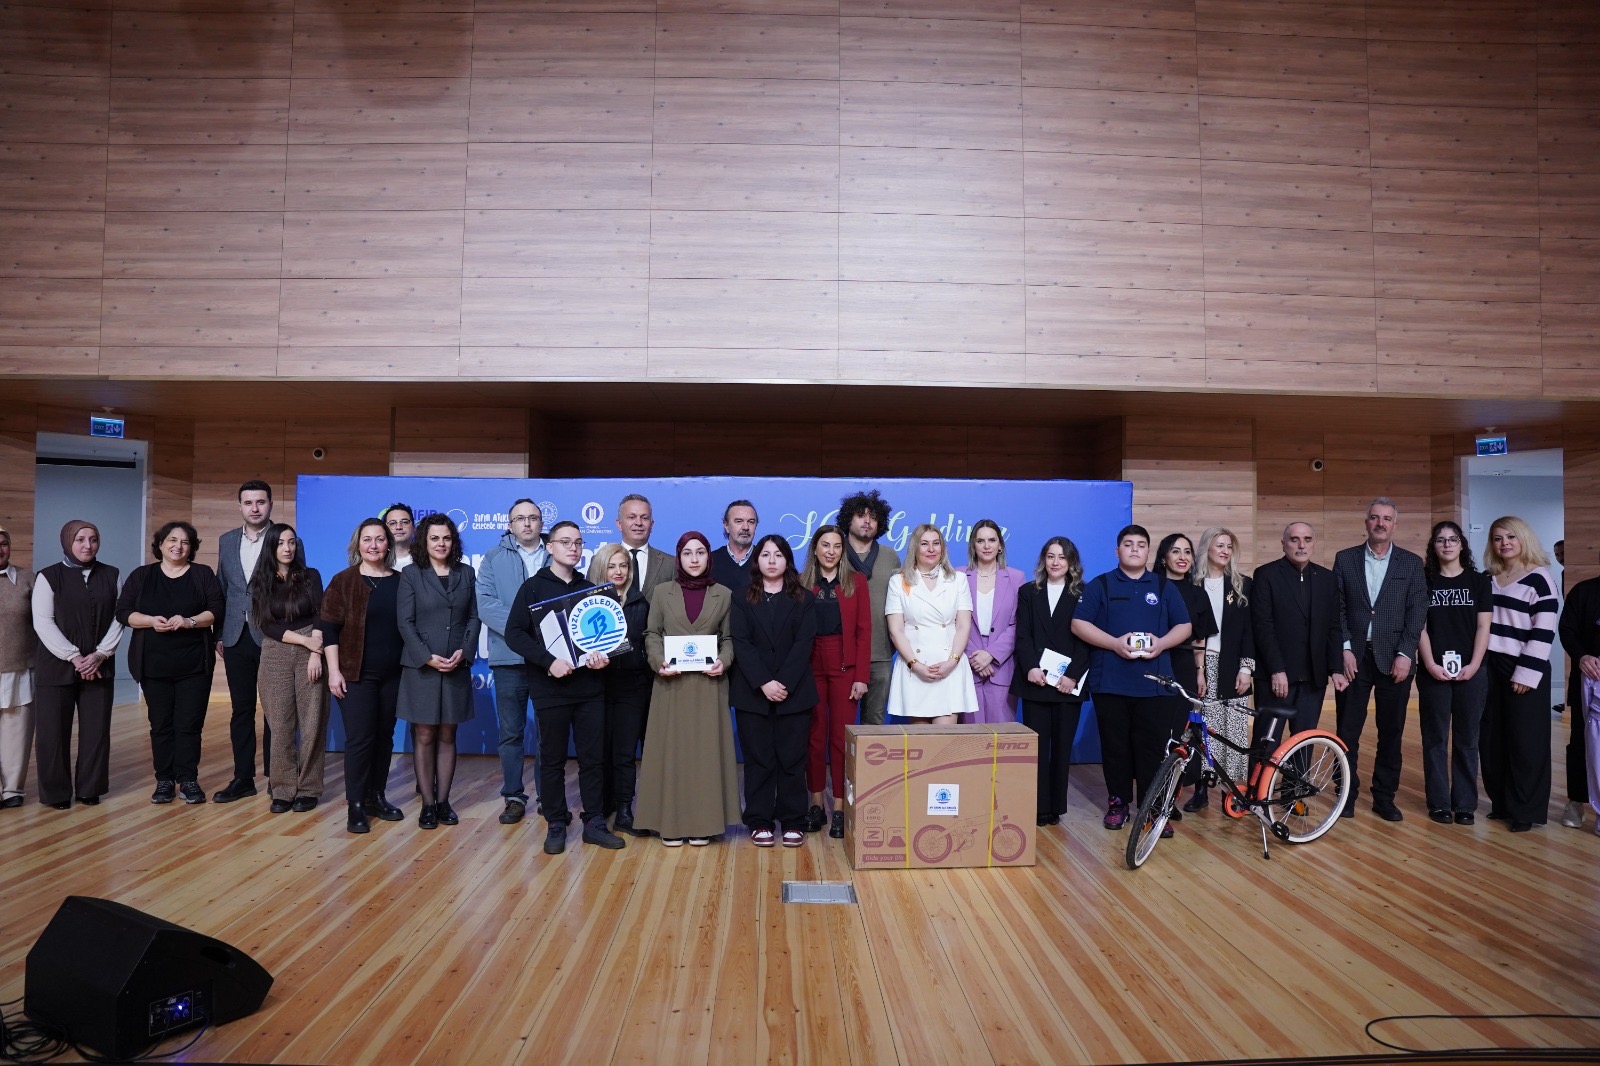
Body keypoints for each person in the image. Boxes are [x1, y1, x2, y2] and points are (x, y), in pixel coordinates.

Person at [505, 520, 624, 853]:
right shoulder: (532, 588)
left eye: (578, 542)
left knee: (592, 759)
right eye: (566, 542)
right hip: (550, 689)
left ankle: (594, 822)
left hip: (590, 689)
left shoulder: (592, 589)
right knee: (553, 759)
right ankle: (556, 822)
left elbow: (606, 638)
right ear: (550, 547)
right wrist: (548, 661)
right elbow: (515, 633)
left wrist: (603, 658)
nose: (573, 548)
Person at [1072, 524, 1192, 832]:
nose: (1135, 549)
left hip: (1155, 685)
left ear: (1148, 551)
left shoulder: (1164, 587)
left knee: (1152, 749)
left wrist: (1161, 644)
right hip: (1110, 683)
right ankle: (1118, 803)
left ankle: (1152, 809)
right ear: (1117, 551)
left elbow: (1184, 626)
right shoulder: (1101, 584)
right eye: (1128, 544)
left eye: (1140, 544)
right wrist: (1114, 643)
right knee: (1116, 747)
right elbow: (1079, 624)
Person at [634, 531, 741, 846]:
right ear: (679, 558)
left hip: (709, 685)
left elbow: (729, 638)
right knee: (672, 754)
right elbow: (652, 633)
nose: (694, 559)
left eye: (700, 552)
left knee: (705, 756)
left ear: (709, 557)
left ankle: (703, 824)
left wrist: (724, 661)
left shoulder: (724, 594)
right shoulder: (661, 592)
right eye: (687, 553)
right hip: (671, 684)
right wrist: (657, 661)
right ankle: (669, 823)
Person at [114, 521, 224, 806]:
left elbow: (216, 610)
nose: (178, 546)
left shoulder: (202, 574)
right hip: (153, 665)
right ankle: (164, 780)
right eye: (172, 540)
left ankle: (188, 779)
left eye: (185, 542)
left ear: (192, 547)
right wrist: (150, 621)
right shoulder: (142, 576)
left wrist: (189, 621)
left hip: (194, 665)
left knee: (189, 724)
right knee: (161, 724)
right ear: (160, 544)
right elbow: (123, 612)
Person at [1332, 497, 1427, 821]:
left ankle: (1384, 798)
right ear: (1366, 523)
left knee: (1391, 732)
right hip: (1354, 658)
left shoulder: (1411, 563)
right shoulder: (1345, 559)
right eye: (1375, 517)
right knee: (1347, 732)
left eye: (1387, 518)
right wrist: (1345, 648)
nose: (1380, 523)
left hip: (1395, 659)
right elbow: (1337, 609)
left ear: (1395, 525)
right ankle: (1345, 794)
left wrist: (1406, 653)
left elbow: (1417, 612)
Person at [730, 535, 818, 847]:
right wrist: (763, 682)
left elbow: (804, 644)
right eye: (765, 554)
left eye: (778, 555)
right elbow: (741, 643)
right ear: (757, 560)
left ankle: (793, 820)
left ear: (787, 561)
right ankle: (759, 820)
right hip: (753, 693)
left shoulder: (804, 599)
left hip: (794, 692)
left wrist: (783, 683)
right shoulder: (741, 597)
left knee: (792, 759)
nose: (771, 560)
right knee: (759, 760)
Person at [397, 514, 481, 831]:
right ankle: (428, 804)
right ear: (424, 541)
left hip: (456, 664)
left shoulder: (466, 572)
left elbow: (473, 618)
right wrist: (426, 657)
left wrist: (464, 651)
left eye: (446, 538)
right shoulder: (411, 574)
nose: (441, 543)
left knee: (448, 734)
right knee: (424, 734)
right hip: (422, 667)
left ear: (453, 541)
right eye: (435, 538)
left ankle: (444, 801)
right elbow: (404, 622)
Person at [322, 518, 406, 834]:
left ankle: (376, 797)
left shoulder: (402, 582)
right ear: (358, 544)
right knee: (360, 739)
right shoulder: (343, 581)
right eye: (367, 539)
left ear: (389, 544)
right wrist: (333, 671)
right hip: (355, 674)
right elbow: (329, 629)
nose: (373, 545)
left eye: (380, 539)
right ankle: (356, 804)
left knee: (384, 737)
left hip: (394, 675)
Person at [32, 520, 122, 809]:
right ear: (67, 541)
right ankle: (56, 793)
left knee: (96, 731)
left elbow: (119, 618)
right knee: (52, 734)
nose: (87, 545)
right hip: (55, 666)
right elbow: (43, 622)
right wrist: (73, 656)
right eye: (80, 539)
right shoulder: (48, 576)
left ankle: (89, 788)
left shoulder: (112, 574)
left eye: (93, 539)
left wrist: (100, 655)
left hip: (99, 665)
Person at [1481, 516, 1559, 833]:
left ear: (1523, 538)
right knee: (1492, 738)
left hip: (1523, 666)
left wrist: (1526, 674)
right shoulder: (1489, 578)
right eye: (1498, 538)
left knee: (1526, 742)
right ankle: (1501, 803)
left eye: (1511, 537)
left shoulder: (1540, 579)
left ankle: (1525, 810)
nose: (1505, 543)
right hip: (1489, 665)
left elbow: (1544, 631)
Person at [1011, 537, 1091, 827]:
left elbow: (1088, 640)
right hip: (1036, 682)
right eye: (1050, 556)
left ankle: (1056, 806)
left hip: (1068, 684)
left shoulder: (1084, 593)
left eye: (1062, 557)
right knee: (1037, 748)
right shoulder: (1028, 592)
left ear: (1071, 562)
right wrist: (1031, 667)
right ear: (1043, 560)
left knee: (1061, 748)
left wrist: (1072, 675)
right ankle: (1038, 807)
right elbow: (1023, 635)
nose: (1056, 562)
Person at [1416, 520, 1492, 826]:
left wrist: (1473, 665)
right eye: (1440, 540)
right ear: (1433, 547)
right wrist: (1430, 664)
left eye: (1452, 539)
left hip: (1472, 672)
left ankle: (1464, 804)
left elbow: (1484, 626)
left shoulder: (1479, 581)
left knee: (1467, 739)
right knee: (1435, 738)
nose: (1447, 544)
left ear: (1462, 544)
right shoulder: (1424, 580)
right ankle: (1439, 804)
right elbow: (1419, 627)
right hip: (1433, 671)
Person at [477, 498, 547, 825]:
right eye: (520, 518)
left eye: (533, 518)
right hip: (508, 658)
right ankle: (514, 797)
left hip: (549, 659)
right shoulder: (493, 558)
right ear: (510, 525)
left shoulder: (556, 553)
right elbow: (486, 604)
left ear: (541, 523)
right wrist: (526, 628)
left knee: (549, 733)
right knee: (510, 733)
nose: (527, 523)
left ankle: (549, 796)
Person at [799, 524, 870, 838]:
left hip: (844, 668)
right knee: (814, 738)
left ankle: (840, 807)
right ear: (815, 549)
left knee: (841, 740)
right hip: (810, 666)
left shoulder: (856, 582)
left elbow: (864, 632)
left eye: (837, 546)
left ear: (843, 551)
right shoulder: (801, 582)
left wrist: (861, 677)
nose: (831, 551)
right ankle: (816, 804)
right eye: (825, 545)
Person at [251, 524, 327, 815]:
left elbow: (321, 613)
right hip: (276, 651)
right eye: (281, 543)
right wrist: (305, 642)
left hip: (312, 649)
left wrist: (315, 651)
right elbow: (266, 624)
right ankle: (282, 789)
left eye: (292, 542)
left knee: (312, 723)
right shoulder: (261, 580)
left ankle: (308, 789)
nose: (287, 548)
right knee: (280, 725)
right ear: (271, 547)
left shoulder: (311, 576)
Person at [1251, 521, 1347, 739]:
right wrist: (1277, 669)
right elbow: (1263, 626)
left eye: (1307, 539)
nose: (1301, 545)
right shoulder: (1266, 575)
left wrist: (1336, 668)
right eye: (1294, 540)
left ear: (1314, 543)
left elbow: (1334, 627)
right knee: (1266, 745)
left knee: (1303, 745)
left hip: (1313, 679)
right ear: (1283, 543)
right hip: (1276, 676)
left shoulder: (1327, 579)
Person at [1183, 527, 1255, 812]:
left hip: (1232, 666)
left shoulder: (1242, 585)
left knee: (1233, 730)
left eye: (1229, 546)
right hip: (1200, 665)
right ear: (1207, 549)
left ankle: (1233, 790)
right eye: (1220, 545)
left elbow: (1250, 632)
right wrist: (1198, 668)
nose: (1225, 551)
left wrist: (1246, 668)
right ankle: (1201, 788)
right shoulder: (1192, 585)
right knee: (1203, 729)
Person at [214, 480, 273, 803]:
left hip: (273, 636)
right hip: (235, 635)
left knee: (275, 711)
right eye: (248, 502)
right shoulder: (226, 541)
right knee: (241, 710)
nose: (254, 508)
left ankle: (278, 777)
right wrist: (219, 634)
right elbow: (222, 589)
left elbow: (295, 590)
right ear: (239, 506)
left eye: (260, 502)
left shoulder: (286, 539)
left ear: (270, 504)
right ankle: (243, 778)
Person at [587, 543, 652, 835]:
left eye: (623, 566)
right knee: (598, 751)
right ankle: (599, 807)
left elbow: (647, 643)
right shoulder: (586, 603)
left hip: (632, 686)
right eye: (611, 566)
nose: (618, 571)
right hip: (596, 686)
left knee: (625, 752)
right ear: (601, 569)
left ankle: (625, 811)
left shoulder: (640, 602)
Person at [885, 524, 978, 724]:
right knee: (921, 739)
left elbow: (963, 626)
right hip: (915, 666)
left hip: (949, 666)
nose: (931, 549)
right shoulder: (898, 581)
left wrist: (952, 662)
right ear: (915, 548)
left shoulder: (958, 580)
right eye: (924, 544)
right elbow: (896, 630)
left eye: (936, 543)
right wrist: (915, 665)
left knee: (944, 738)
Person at [840, 489, 900, 726]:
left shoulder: (890, 556)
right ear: (848, 519)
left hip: (880, 652)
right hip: (842, 654)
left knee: (874, 723)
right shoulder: (835, 552)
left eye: (873, 517)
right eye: (861, 515)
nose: (867, 521)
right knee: (839, 721)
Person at [962, 520, 1025, 724]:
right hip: (967, 668)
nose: (986, 546)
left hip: (1001, 669)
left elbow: (1018, 624)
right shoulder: (958, 575)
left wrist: (991, 655)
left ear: (1000, 546)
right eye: (980, 541)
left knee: (1001, 736)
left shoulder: (1016, 577)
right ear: (973, 545)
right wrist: (975, 656)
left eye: (992, 540)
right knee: (971, 737)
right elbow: (953, 622)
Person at [1558, 554, 1599, 830]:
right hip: (1588, 680)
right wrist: (1582, 656)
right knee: (1580, 743)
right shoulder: (1584, 591)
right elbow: (1567, 630)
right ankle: (1576, 801)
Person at [1155, 533, 1216, 698]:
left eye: (1187, 552)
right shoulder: (1151, 589)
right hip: (1154, 662)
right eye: (1175, 551)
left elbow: (1199, 639)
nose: (1183, 557)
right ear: (1163, 558)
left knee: (1183, 712)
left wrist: (1200, 672)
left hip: (1185, 666)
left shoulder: (1199, 594)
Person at [0, 526, 36, 810]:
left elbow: (45, 621)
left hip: (20, 668)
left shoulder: (28, 579)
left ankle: (12, 789)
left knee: (16, 732)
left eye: (3, 543)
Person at [612, 493, 674, 600]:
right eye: (632, 517)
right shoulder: (601, 560)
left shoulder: (671, 564)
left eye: (644, 518)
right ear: (619, 524)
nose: (638, 523)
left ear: (652, 524)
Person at [710, 500, 759, 594]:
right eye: (739, 521)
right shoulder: (710, 561)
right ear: (726, 526)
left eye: (751, 522)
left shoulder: (766, 560)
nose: (746, 527)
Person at [384, 503, 416, 570]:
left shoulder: (426, 560)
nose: (398, 527)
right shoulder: (377, 561)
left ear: (414, 528)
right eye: (392, 523)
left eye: (404, 522)